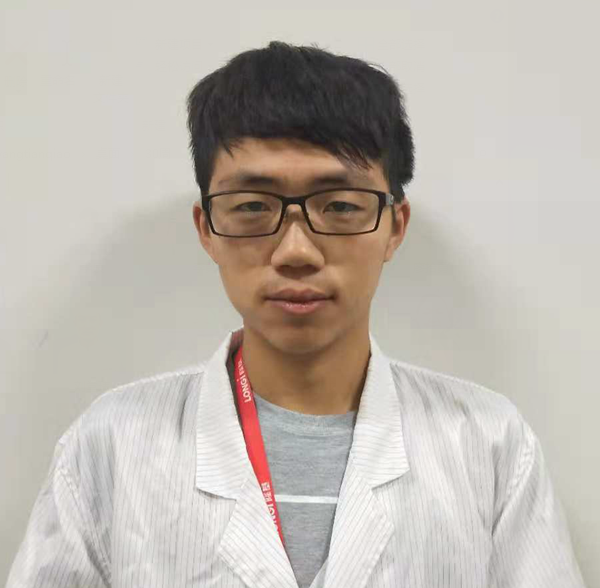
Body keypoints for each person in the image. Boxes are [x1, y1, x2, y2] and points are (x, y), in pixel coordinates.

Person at [6, 41, 586, 588]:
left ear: (395, 227)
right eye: (252, 206)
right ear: (207, 229)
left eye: (340, 205)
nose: (296, 251)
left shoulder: (489, 445)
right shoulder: (111, 446)